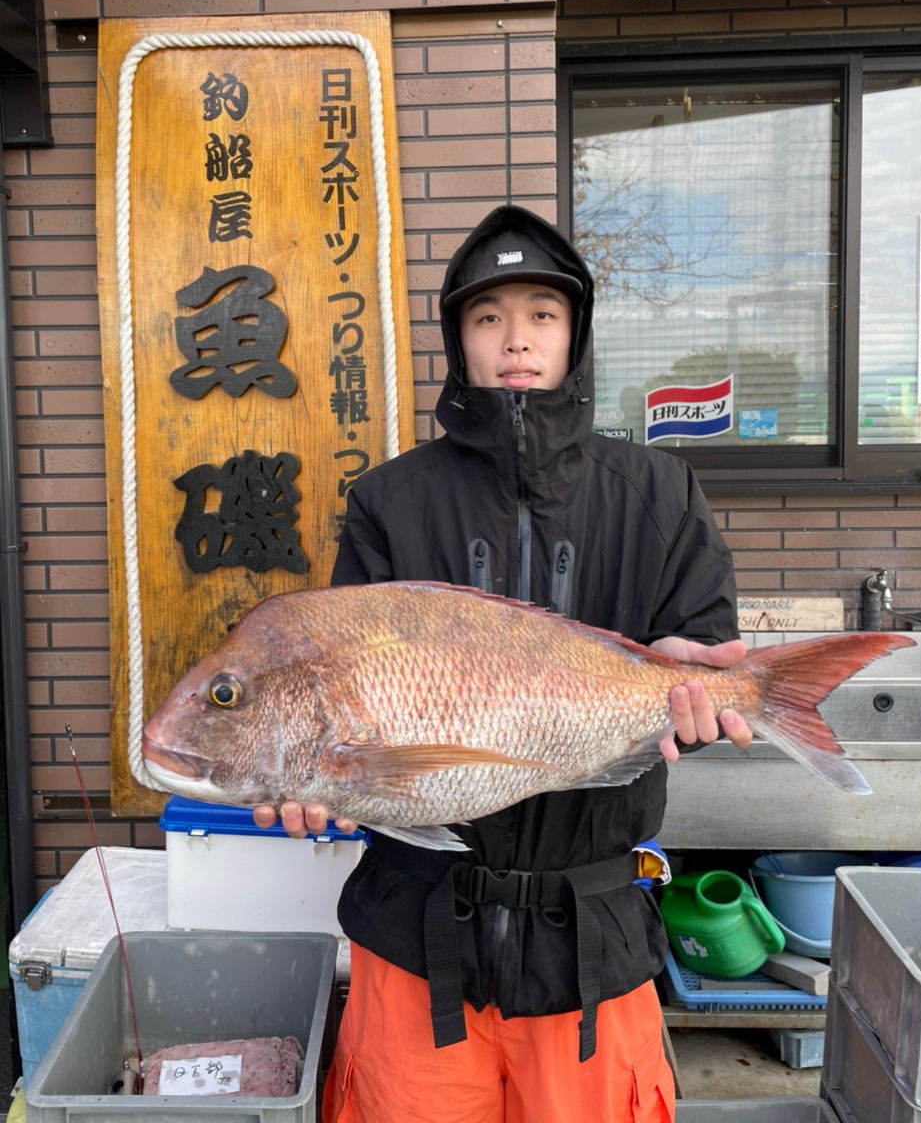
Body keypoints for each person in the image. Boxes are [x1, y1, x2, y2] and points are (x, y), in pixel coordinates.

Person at [254, 204, 752, 1123]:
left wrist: (696, 693)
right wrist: (309, 775)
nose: (514, 340)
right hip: (416, 939)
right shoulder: (388, 502)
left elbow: (699, 658)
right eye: (487, 318)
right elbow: (338, 687)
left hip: (592, 942)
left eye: (540, 314)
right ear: (458, 340)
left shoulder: (657, 490)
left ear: (575, 334)